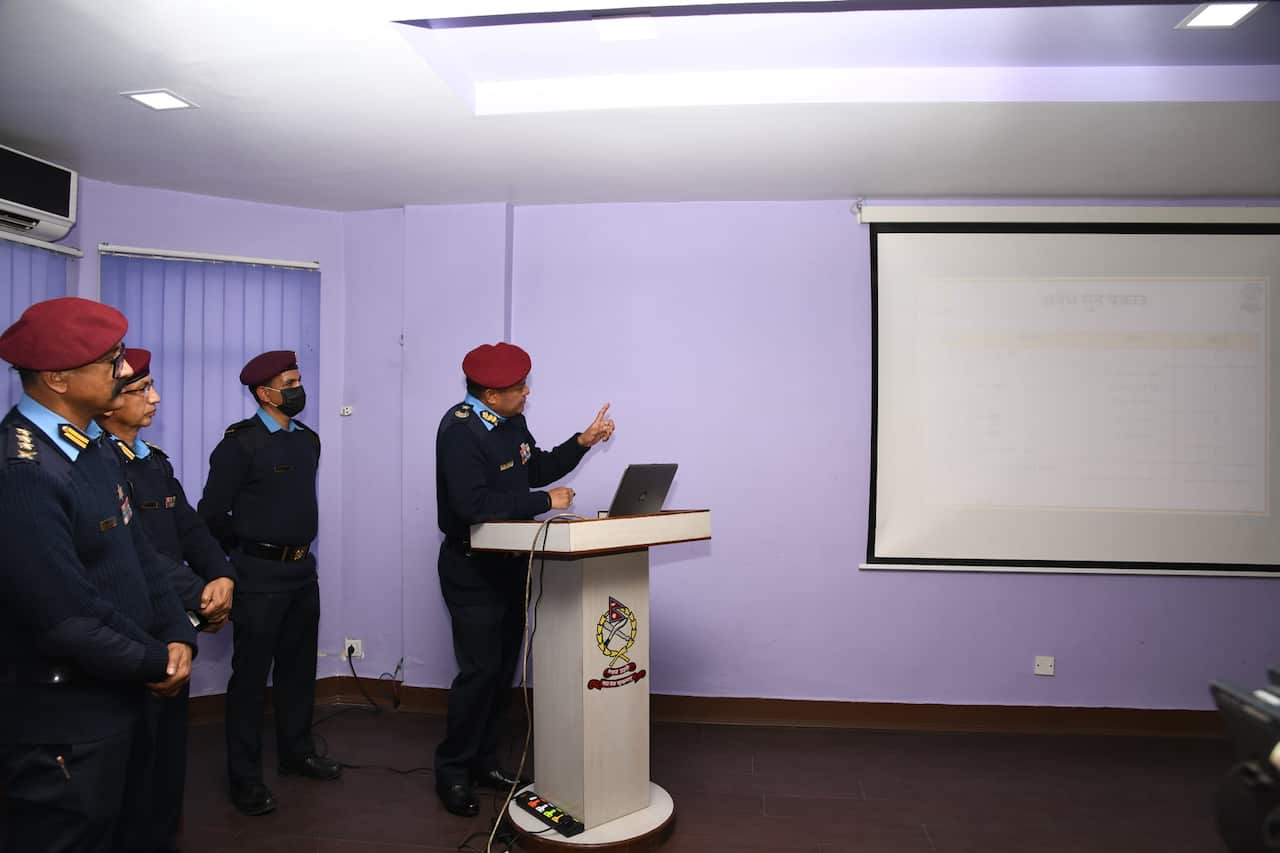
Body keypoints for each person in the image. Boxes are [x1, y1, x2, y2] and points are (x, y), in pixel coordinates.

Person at [0, 298, 196, 853]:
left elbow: (142, 559)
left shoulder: (93, 449)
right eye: (111, 361)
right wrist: (156, 659)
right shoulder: (23, 470)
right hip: (65, 718)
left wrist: (177, 633)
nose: (125, 372)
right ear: (58, 378)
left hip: (121, 690)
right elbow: (64, 616)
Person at [433, 341, 615, 817]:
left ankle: (485, 761)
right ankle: (452, 771)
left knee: (502, 670)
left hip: (510, 561)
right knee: (477, 673)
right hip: (471, 567)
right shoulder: (460, 431)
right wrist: (544, 502)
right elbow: (471, 506)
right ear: (490, 394)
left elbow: (532, 467)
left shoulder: (509, 421)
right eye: (518, 389)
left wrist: (583, 441)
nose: (526, 393)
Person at [96, 348, 236, 852]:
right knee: (134, 763)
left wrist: (222, 575)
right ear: (108, 401)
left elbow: (189, 529)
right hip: (129, 628)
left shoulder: (152, 462)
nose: (154, 398)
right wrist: (197, 594)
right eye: (141, 389)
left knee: (167, 761)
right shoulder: (95, 467)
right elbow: (136, 556)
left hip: (172, 623)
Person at [197, 350, 339, 816]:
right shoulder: (240, 444)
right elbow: (211, 515)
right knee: (252, 681)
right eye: (291, 382)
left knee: (298, 672)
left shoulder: (308, 441)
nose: (300, 389)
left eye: (300, 379)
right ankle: (245, 777)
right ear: (265, 393)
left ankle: (297, 753)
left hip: (302, 572)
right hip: (257, 577)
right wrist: (248, 550)